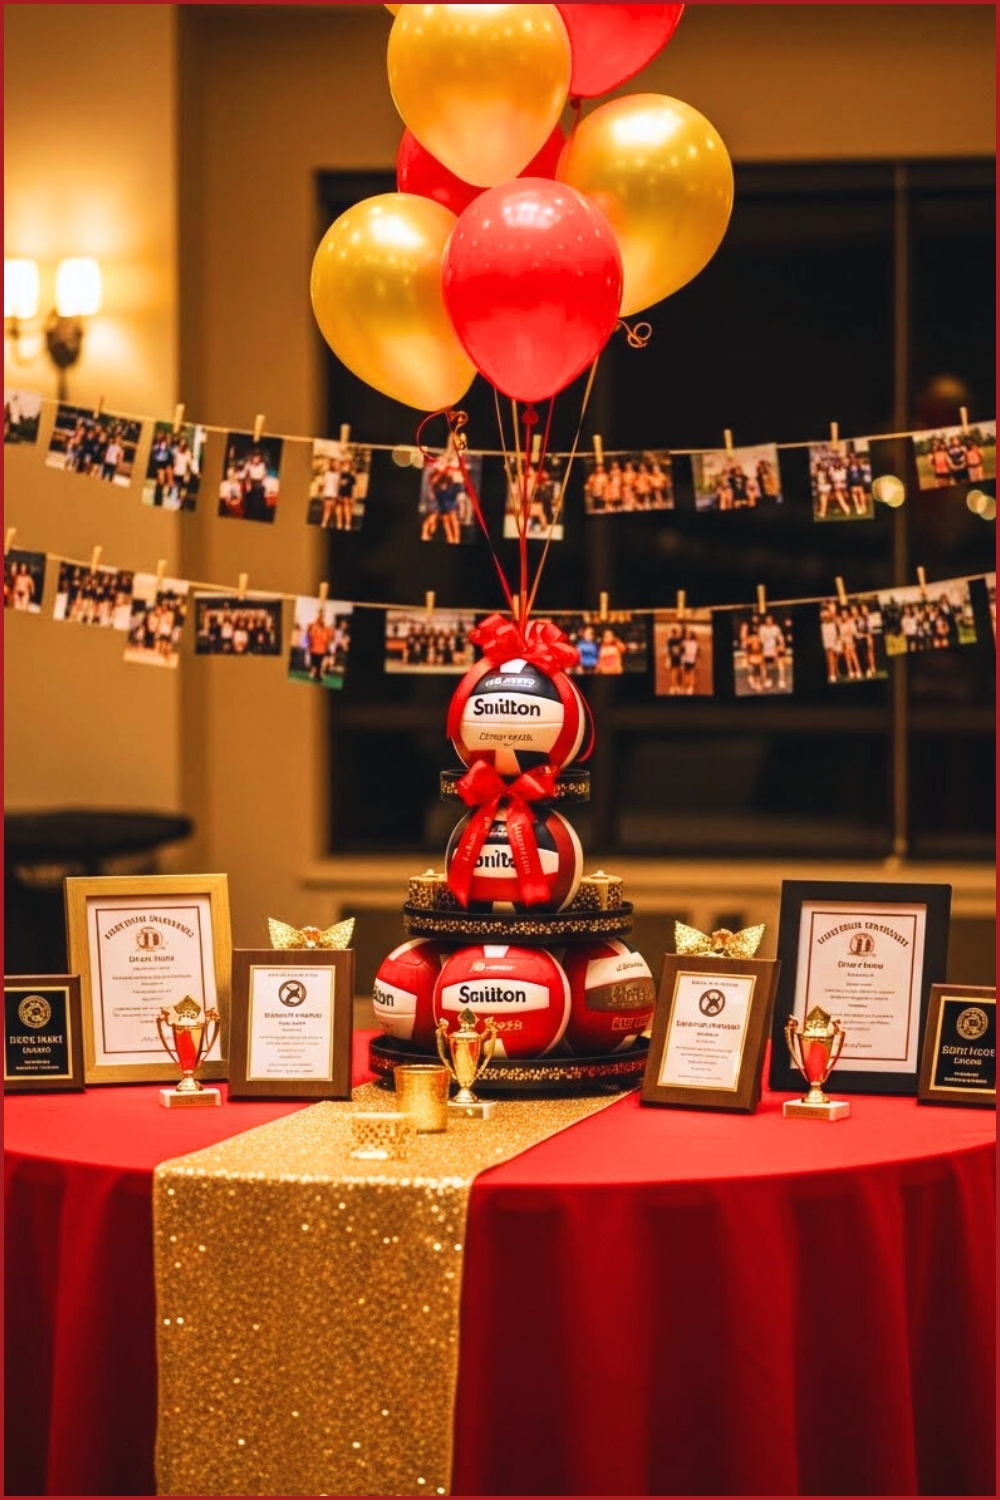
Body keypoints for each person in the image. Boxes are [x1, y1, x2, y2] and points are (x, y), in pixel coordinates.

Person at [665, 628, 684, 694]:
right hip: (674, 659)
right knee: (675, 673)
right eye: (674, 633)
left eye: (674, 633)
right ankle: (674, 687)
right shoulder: (670, 641)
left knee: (677, 673)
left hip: (678, 658)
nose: (674, 635)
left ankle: (677, 687)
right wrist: (668, 660)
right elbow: (668, 651)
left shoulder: (678, 640)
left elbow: (682, 649)